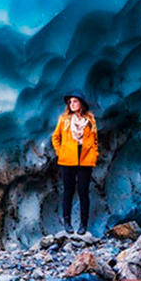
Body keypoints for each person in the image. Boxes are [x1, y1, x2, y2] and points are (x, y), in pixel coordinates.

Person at [51, 90, 99, 235]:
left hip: (85, 159)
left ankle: (83, 225)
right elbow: (55, 138)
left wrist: (94, 154)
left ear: (81, 104)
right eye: (70, 102)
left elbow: (95, 140)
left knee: (84, 192)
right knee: (68, 192)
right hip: (68, 160)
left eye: (75, 101)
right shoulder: (64, 119)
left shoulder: (90, 120)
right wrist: (61, 152)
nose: (72, 104)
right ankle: (67, 223)